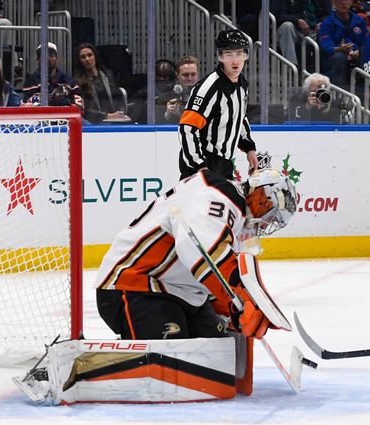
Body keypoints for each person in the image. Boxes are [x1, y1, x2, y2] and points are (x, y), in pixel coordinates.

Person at [17, 166, 298, 405]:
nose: (268, 218)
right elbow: (200, 253)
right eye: (271, 208)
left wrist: (234, 312)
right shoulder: (221, 194)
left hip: (179, 295)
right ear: (260, 192)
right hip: (134, 284)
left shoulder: (232, 214)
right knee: (173, 361)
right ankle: (65, 365)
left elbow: (206, 275)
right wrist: (238, 301)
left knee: (216, 355)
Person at [178, 30, 258, 181]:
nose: (235, 61)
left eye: (239, 54)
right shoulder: (208, 88)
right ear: (220, 57)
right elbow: (187, 128)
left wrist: (249, 148)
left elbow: (239, 116)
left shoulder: (241, 84)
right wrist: (200, 166)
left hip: (224, 164)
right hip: (203, 165)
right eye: (229, 55)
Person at [73, 42, 131, 125]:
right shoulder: (77, 82)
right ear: (79, 61)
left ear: (95, 56)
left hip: (113, 119)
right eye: (83, 57)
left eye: (90, 55)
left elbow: (116, 97)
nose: (87, 59)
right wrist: (106, 116)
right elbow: (83, 110)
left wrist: (120, 113)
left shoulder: (107, 75)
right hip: (93, 122)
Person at [318, 0, 368, 88]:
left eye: (346, 0)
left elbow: (366, 42)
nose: (343, 3)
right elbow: (327, 48)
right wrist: (340, 49)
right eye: (340, 1)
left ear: (351, 2)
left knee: (366, 52)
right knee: (339, 56)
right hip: (333, 58)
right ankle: (339, 94)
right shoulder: (326, 23)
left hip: (355, 54)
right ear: (333, 3)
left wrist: (358, 51)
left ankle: (368, 88)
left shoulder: (359, 20)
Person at [21, 42, 84, 111]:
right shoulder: (31, 82)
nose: (47, 58)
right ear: (38, 60)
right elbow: (26, 108)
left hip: (65, 119)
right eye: (43, 56)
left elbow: (79, 108)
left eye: (51, 55)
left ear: (57, 59)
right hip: (40, 119)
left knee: (85, 122)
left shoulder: (69, 81)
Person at [158, 55, 200, 124]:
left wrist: (179, 114)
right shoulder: (166, 97)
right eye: (185, 75)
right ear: (177, 75)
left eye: (193, 74)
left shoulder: (207, 95)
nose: (190, 78)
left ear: (197, 74)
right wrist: (167, 114)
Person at [273, 0, 311, 66]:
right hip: (287, 32)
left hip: (310, 30)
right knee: (287, 26)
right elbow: (278, 16)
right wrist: (297, 20)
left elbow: (326, 13)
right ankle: (292, 68)